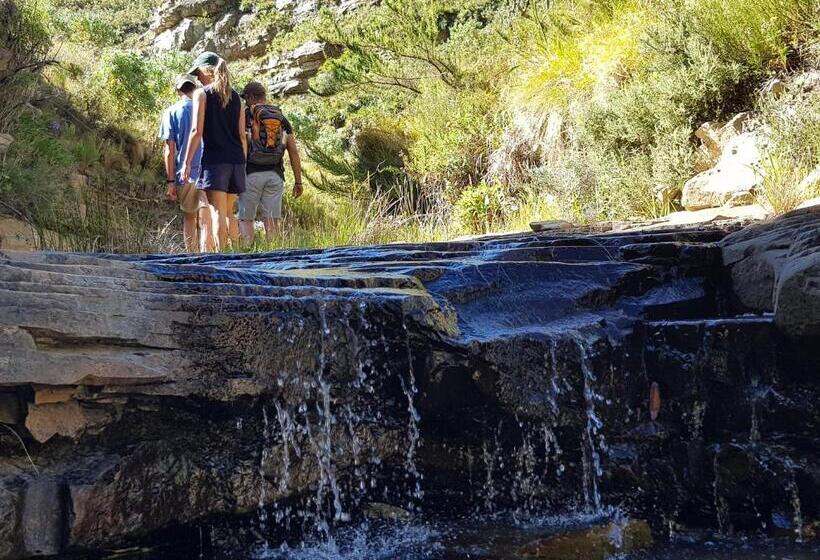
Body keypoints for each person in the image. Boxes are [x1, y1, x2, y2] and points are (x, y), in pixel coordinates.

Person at [181, 51, 247, 251]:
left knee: (217, 212)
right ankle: (236, 256)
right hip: (236, 160)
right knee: (229, 213)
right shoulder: (236, 97)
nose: (197, 78)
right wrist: (242, 163)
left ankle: (221, 259)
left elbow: (196, 131)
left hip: (215, 161)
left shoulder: (202, 94)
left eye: (198, 73)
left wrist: (186, 162)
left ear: (207, 71)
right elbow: (242, 135)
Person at [237, 81, 304, 245]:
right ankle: (273, 254)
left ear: (250, 97)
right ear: (263, 97)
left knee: (246, 219)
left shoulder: (245, 116)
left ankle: (247, 255)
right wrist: (298, 181)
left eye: (245, 99)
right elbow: (293, 151)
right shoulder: (280, 117)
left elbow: (240, 142)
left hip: (250, 174)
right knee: (272, 221)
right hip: (275, 174)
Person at [158, 74, 214, 253]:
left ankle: (192, 256)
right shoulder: (207, 108)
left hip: (185, 171)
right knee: (207, 217)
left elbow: (169, 150)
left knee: (190, 217)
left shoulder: (171, 112)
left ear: (177, 91)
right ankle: (210, 255)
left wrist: (170, 181)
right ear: (195, 88)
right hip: (209, 169)